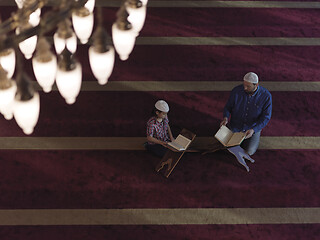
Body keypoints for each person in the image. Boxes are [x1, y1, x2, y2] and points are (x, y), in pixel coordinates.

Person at [220, 72, 272, 155]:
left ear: (256, 85)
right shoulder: (236, 91)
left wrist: (254, 130)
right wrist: (225, 118)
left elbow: (265, 118)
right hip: (236, 126)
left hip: (251, 129)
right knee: (224, 146)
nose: (244, 88)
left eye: (248, 86)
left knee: (249, 152)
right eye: (244, 85)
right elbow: (228, 107)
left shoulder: (266, 96)